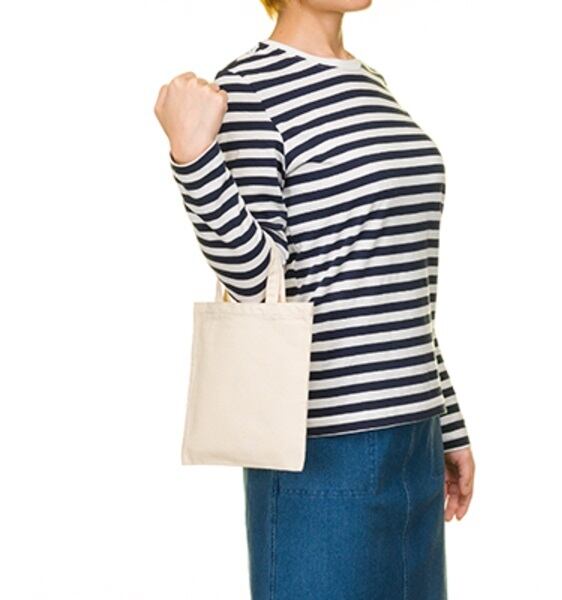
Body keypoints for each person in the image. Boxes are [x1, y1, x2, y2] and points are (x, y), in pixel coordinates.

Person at [154, 0, 476, 597]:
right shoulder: (248, 92)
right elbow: (256, 286)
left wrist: (448, 423)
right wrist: (193, 159)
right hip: (323, 449)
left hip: (416, 439)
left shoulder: (371, 82)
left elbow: (402, 283)